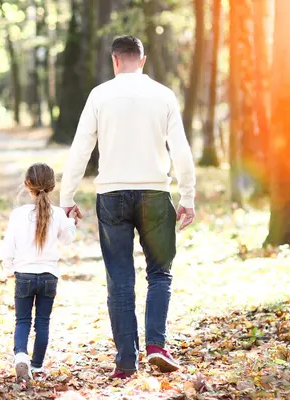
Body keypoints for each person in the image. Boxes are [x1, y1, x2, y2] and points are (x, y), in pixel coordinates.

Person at [59, 35, 196, 378]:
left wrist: (67, 198)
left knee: (119, 278)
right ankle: (156, 346)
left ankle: (125, 360)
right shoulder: (163, 95)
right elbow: (181, 150)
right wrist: (188, 196)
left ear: (115, 61)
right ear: (143, 60)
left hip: (112, 196)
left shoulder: (99, 95)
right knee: (159, 273)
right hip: (155, 194)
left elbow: (80, 149)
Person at [1, 163, 78, 383]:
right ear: (52, 186)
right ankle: (36, 366)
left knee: (22, 320)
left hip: (23, 274)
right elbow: (67, 239)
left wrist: (8, 269)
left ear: (28, 186)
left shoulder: (18, 214)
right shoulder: (58, 214)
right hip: (48, 276)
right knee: (43, 322)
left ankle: (21, 357)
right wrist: (71, 221)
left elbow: (9, 246)